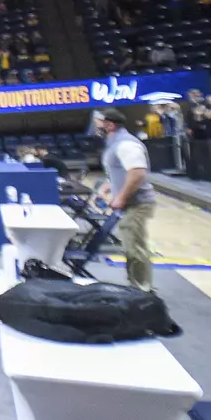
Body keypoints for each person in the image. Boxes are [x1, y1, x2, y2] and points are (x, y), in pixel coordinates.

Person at [94, 108, 156, 291]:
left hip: (138, 203)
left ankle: (142, 289)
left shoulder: (126, 144)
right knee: (130, 245)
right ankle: (135, 285)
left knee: (134, 247)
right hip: (130, 204)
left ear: (110, 125)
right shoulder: (115, 143)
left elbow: (137, 173)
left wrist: (120, 197)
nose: (97, 127)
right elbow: (120, 171)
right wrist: (107, 186)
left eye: (100, 123)